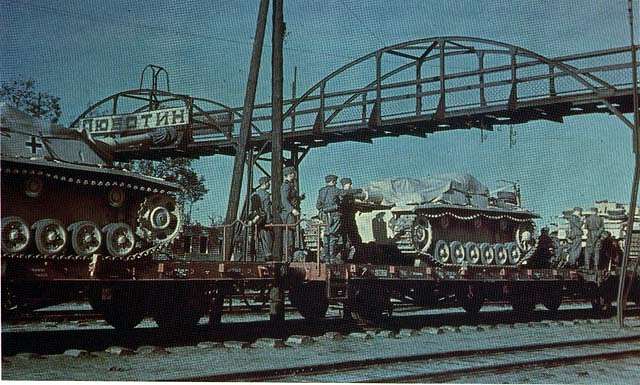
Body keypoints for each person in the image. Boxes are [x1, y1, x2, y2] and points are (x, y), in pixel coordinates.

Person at [337, 177, 367, 259]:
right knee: (345, 239)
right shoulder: (341, 193)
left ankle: (357, 255)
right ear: (344, 185)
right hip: (344, 220)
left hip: (350, 219)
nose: (350, 186)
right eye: (349, 184)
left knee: (355, 238)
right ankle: (345, 255)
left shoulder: (349, 194)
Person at [316, 174, 341, 262]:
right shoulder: (336, 190)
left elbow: (318, 206)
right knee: (333, 235)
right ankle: (332, 256)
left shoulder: (321, 191)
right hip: (334, 215)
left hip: (325, 216)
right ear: (333, 182)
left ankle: (326, 256)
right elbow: (345, 193)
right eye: (335, 181)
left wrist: (325, 209)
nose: (336, 183)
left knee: (326, 235)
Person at [281, 166, 304, 258]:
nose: (294, 175)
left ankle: (290, 255)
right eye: (293, 173)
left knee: (292, 233)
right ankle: (287, 256)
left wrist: (299, 198)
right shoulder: (286, 185)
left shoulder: (290, 185)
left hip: (291, 213)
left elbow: (291, 198)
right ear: (289, 174)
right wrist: (292, 210)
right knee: (289, 234)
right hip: (288, 214)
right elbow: (284, 200)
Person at [249, 176, 272, 261]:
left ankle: (252, 257)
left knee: (256, 241)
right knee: (267, 241)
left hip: (255, 222)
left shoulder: (255, 194)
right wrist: (269, 222)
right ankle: (268, 258)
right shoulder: (265, 195)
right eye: (268, 182)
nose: (269, 184)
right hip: (264, 222)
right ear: (264, 183)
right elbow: (267, 210)